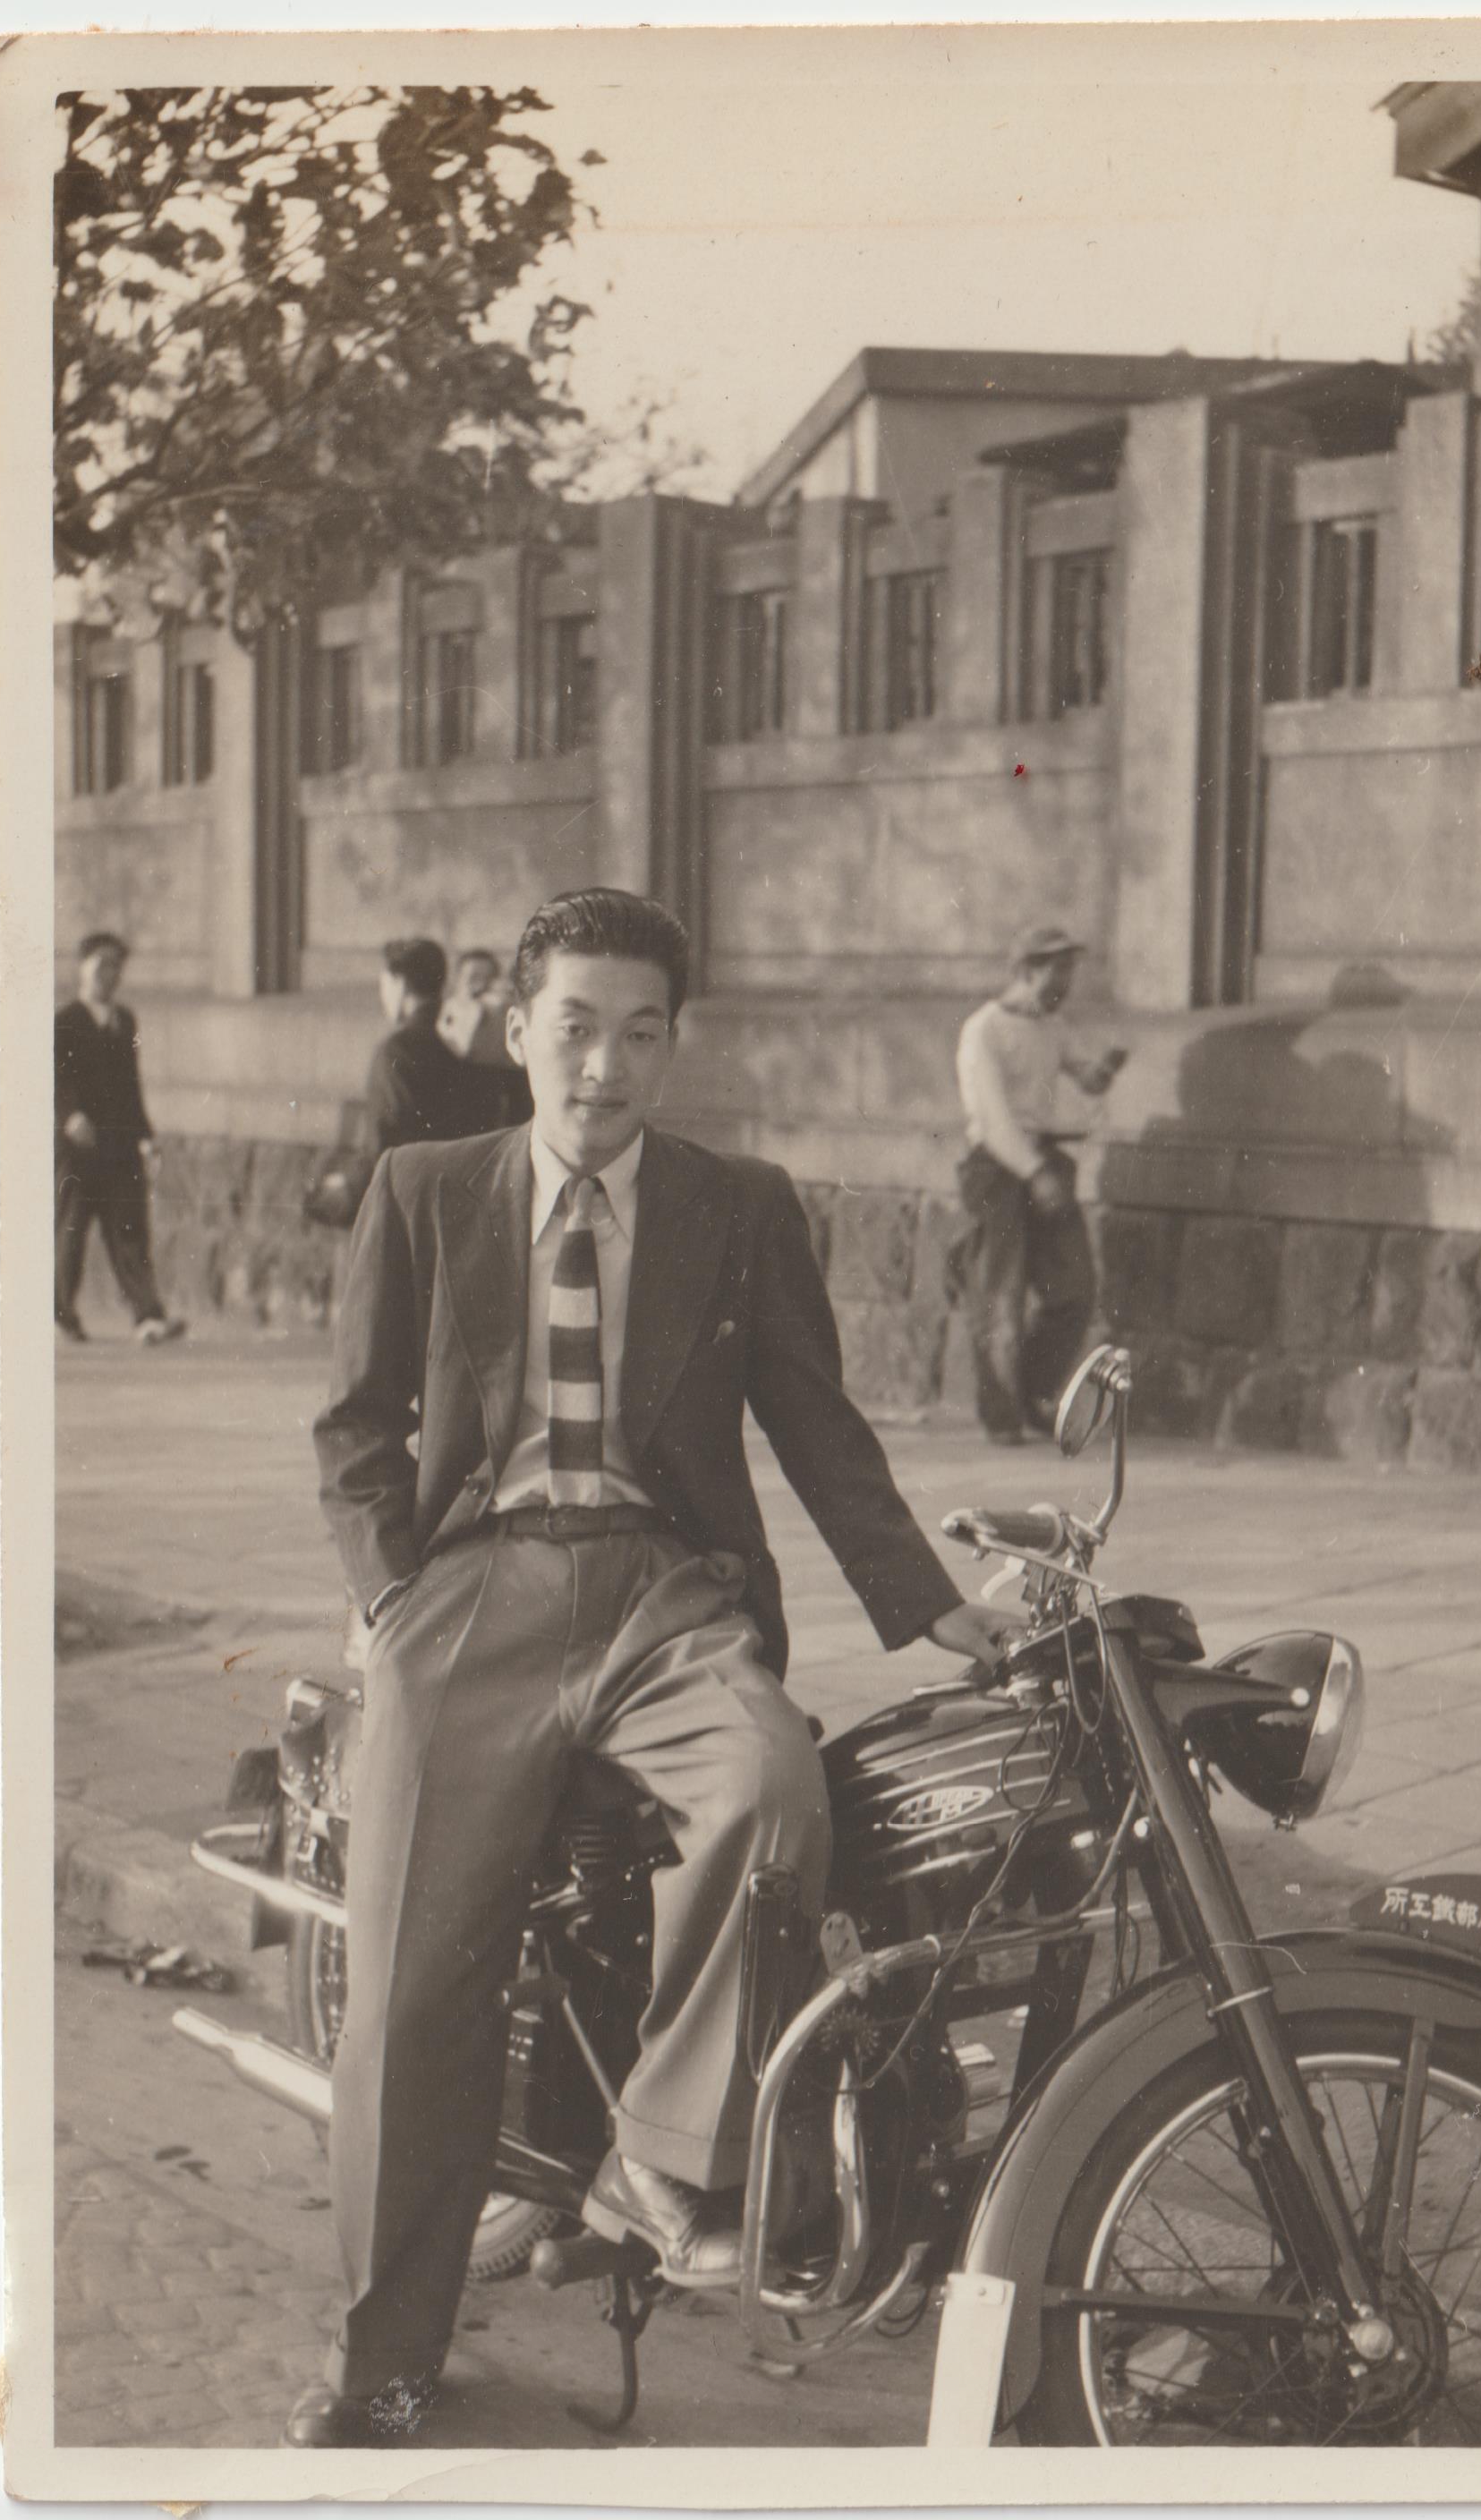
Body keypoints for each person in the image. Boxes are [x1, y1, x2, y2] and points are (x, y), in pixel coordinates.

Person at [293, 886, 1022, 2448]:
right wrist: (388, 1597)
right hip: (471, 1588)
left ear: (672, 1049)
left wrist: (928, 1603)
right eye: (574, 1028)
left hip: (667, 1592)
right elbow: (353, 1427)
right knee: (411, 1986)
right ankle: (387, 2366)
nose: (603, 1067)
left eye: (639, 1035)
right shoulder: (426, 1189)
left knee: (771, 1785)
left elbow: (815, 1421)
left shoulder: (736, 1204)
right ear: (517, 1032)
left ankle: (663, 2163)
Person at [953, 924, 1128, 1445]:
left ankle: (1031, 1393)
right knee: (1000, 1296)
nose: (1065, 984)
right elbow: (994, 1118)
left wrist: (1105, 1069)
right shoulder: (983, 1030)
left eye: (1070, 972)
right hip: (997, 1167)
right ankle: (1001, 1415)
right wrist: (1033, 1173)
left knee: (1074, 1291)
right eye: (1056, 972)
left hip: (1045, 1161)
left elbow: (1084, 1075)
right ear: (1026, 971)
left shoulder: (1052, 1026)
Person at [55, 931, 185, 1347]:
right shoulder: (65, 1021)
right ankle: (60, 1315)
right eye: (101, 964)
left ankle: (148, 1317)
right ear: (83, 967)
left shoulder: (124, 1021)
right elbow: (55, 1078)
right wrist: (69, 1116)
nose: (108, 974)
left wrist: (146, 1138)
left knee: (130, 1231)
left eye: (115, 966)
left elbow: (131, 1087)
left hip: (120, 1147)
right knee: (70, 1233)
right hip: (78, 1149)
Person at [364, 936, 496, 1153]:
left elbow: (382, 1147)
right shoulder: (474, 1039)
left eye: (385, 984)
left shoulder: (396, 1051)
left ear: (400, 984)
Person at [436, 944, 532, 1128]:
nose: (480, 986)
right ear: (457, 981)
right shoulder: (446, 1013)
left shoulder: (501, 1009)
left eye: (488, 979)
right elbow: (464, 1044)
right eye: (473, 978)